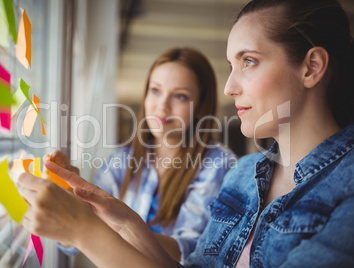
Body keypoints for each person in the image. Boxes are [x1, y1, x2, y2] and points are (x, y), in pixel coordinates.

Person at [18, 0, 354, 267]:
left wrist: (86, 231)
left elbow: (183, 248)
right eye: (231, 66)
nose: (230, 87)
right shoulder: (244, 174)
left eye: (249, 61)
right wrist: (114, 219)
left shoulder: (225, 164)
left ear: (311, 67)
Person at [47, 47, 235, 262]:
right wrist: (71, 195)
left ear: (201, 107)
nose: (162, 106)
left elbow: (192, 252)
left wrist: (92, 225)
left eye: (180, 96)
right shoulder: (121, 159)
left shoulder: (219, 163)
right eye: (155, 90)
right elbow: (71, 245)